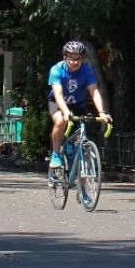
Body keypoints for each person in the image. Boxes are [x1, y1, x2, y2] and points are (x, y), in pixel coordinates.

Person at [47, 41, 113, 174]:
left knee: (81, 132)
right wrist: (65, 111)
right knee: (61, 121)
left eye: (79, 59)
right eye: (72, 58)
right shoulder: (57, 70)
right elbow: (58, 95)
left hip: (78, 104)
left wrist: (102, 112)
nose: (75, 62)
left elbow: (94, 92)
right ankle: (56, 153)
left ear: (83, 58)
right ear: (65, 57)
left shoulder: (87, 71)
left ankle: (78, 161)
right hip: (58, 103)